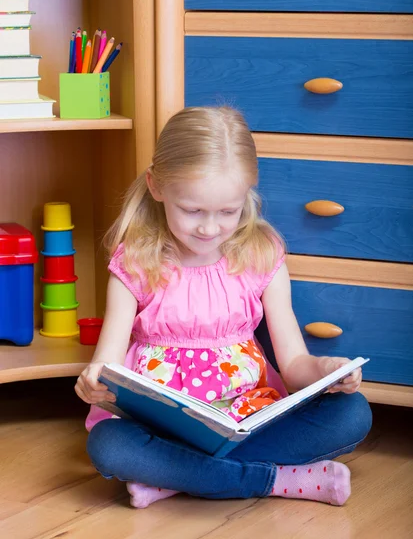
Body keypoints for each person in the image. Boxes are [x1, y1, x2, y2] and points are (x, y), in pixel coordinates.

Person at [75, 106, 372, 509]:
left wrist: (325, 370)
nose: (209, 228)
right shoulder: (136, 263)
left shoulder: (262, 255)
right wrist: (93, 383)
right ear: (157, 186)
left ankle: (176, 476)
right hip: (162, 428)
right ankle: (278, 480)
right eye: (192, 210)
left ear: (246, 195)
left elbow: (295, 364)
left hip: (249, 417)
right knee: (108, 445)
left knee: (352, 413)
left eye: (228, 212)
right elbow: (106, 367)